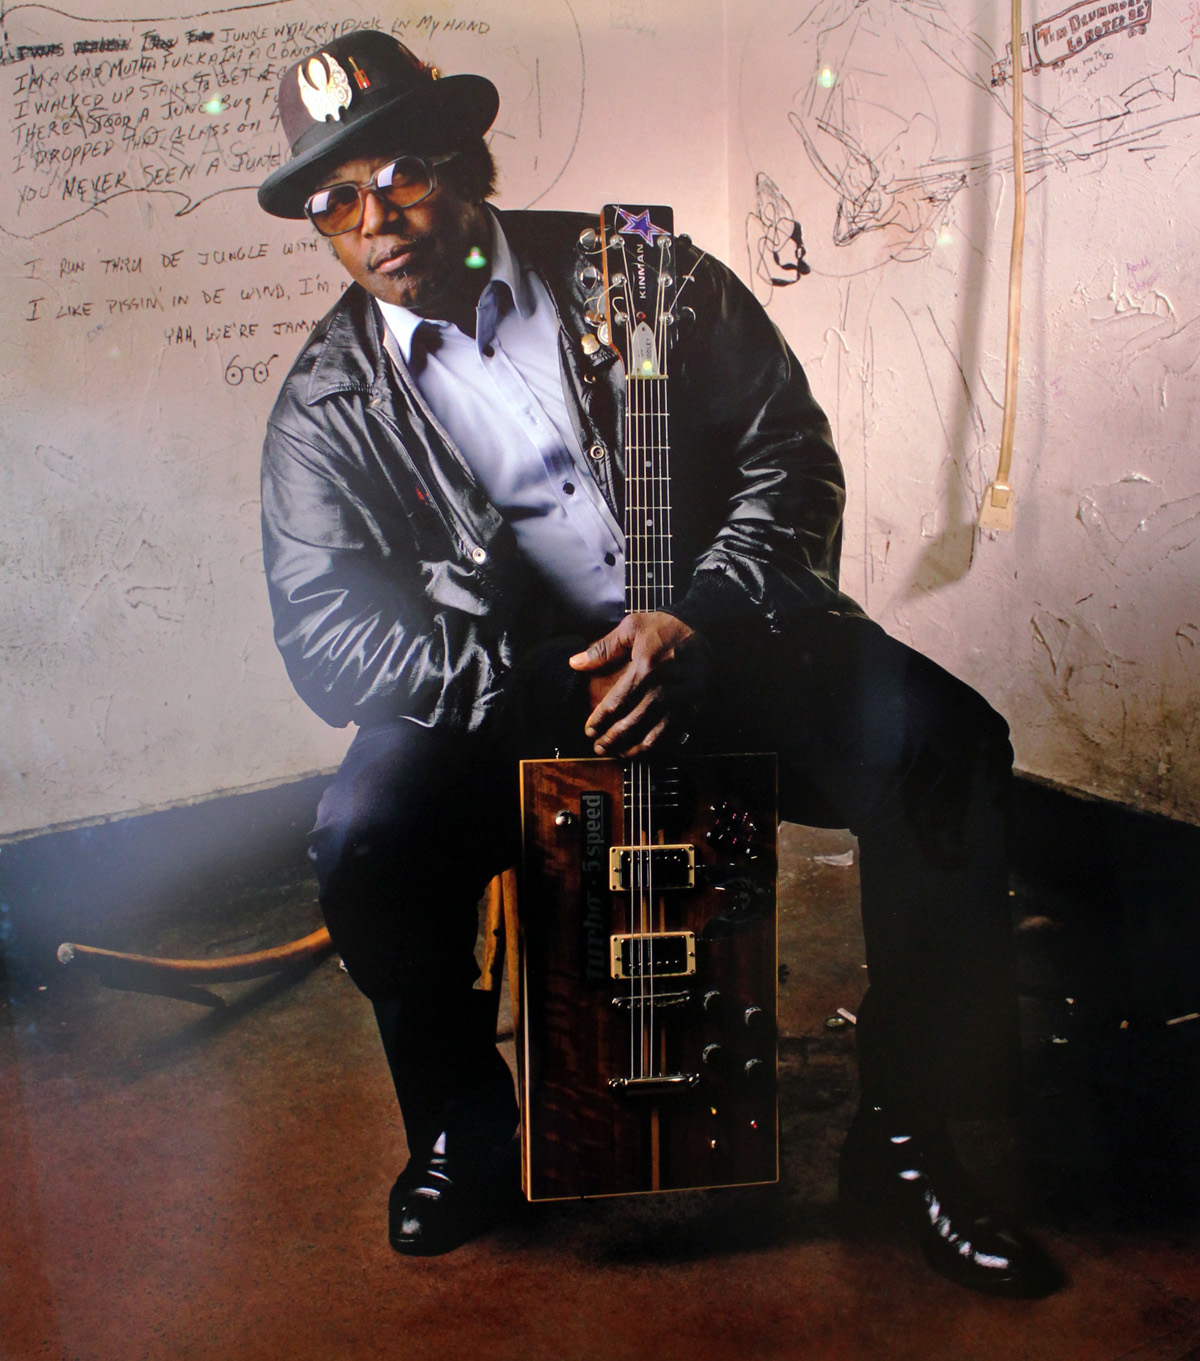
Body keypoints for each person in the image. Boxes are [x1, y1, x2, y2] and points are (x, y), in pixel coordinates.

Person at [256, 32, 1060, 1294]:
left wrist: (703, 623)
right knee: (367, 832)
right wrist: (540, 684)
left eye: (400, 171)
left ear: (471, 160)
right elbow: (327, 632)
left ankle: (907, 1139)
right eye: (333, 200)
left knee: (945, 748)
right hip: (517, 692)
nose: (374, 218)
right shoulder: (328, 402)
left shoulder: (637, 272)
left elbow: (789, 452)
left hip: (718, 638)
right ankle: (464, 1133)